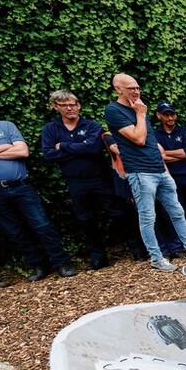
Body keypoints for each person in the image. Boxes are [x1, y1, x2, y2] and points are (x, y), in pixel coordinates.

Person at [104, 74, 186, 271]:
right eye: (131, 88)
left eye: (137, 87)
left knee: (177, 211)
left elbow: (152, 144)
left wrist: (166, 171)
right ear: (118, 89)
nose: (136, 92)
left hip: (159, 170)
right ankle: (156, 258)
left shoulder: (138, 110)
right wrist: (141, 114)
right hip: (140, 172)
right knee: (148, 217)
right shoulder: (114, 111)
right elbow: (138, 139)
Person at [0, 96, 76, 281]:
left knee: (43, 225)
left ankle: (61, 263)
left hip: (21, 187)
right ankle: (38, 266)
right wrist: (5, 146)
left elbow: (22, 151)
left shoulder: (5, 126)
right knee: (15, 232)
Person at [41, 90, 126, 270]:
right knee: (86, 220)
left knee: (117, 213)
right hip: (75, 182)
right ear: (56, 107)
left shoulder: (92, 126)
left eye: (72, 104)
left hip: (99, 178)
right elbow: (48, 155)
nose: (69, 108)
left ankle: (136, 249)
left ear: (78, 105)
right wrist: (80, 148)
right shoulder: (51, 129)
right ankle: (99, 258)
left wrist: (63, 146)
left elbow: (94, 149)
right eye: (64, 105)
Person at [154, 102, 186, 250]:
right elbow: (156, 156)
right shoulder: (155, 135)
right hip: (169, 178)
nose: (170, 118)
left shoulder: (185, 132)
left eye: (172, 114)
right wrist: (179, 154)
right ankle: (181, 244)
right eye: (166, 115)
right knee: (177, 211)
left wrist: (165, 153)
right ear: (159, 115)